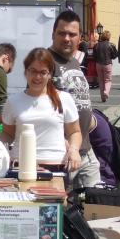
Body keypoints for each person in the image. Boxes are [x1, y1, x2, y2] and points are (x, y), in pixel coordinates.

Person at [2, 48, 82, 178]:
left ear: (50, 74)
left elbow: (74, 132)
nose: (37, 77)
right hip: (20, 165)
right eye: (33, 71)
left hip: (55, 166)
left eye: (43, 72)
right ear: (26, 72)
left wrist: (74, 150)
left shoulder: (64, 98)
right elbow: (7, 134)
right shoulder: (13, 101)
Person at [48, 10, 100, 189]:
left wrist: (90, 119)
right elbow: (37, 107)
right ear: (53, 34)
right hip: (62, 153)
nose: (67, 38)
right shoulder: (45, 61)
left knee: (95, 202)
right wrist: (68, 147)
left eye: (72, 34)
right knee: (59, 203)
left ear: (79, 38)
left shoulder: (73, 61)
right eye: (62, 33)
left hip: (85, 150)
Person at [92, 30, 117, 103]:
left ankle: (103, 97)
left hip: (98, 64)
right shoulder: (111, 45)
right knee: (108, 80)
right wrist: (111, 56)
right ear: (109, 37)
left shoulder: (96, 45)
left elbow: (94, 56)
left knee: (101, 80)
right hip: (107, 64)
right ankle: (106, 92)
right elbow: (115, 55)